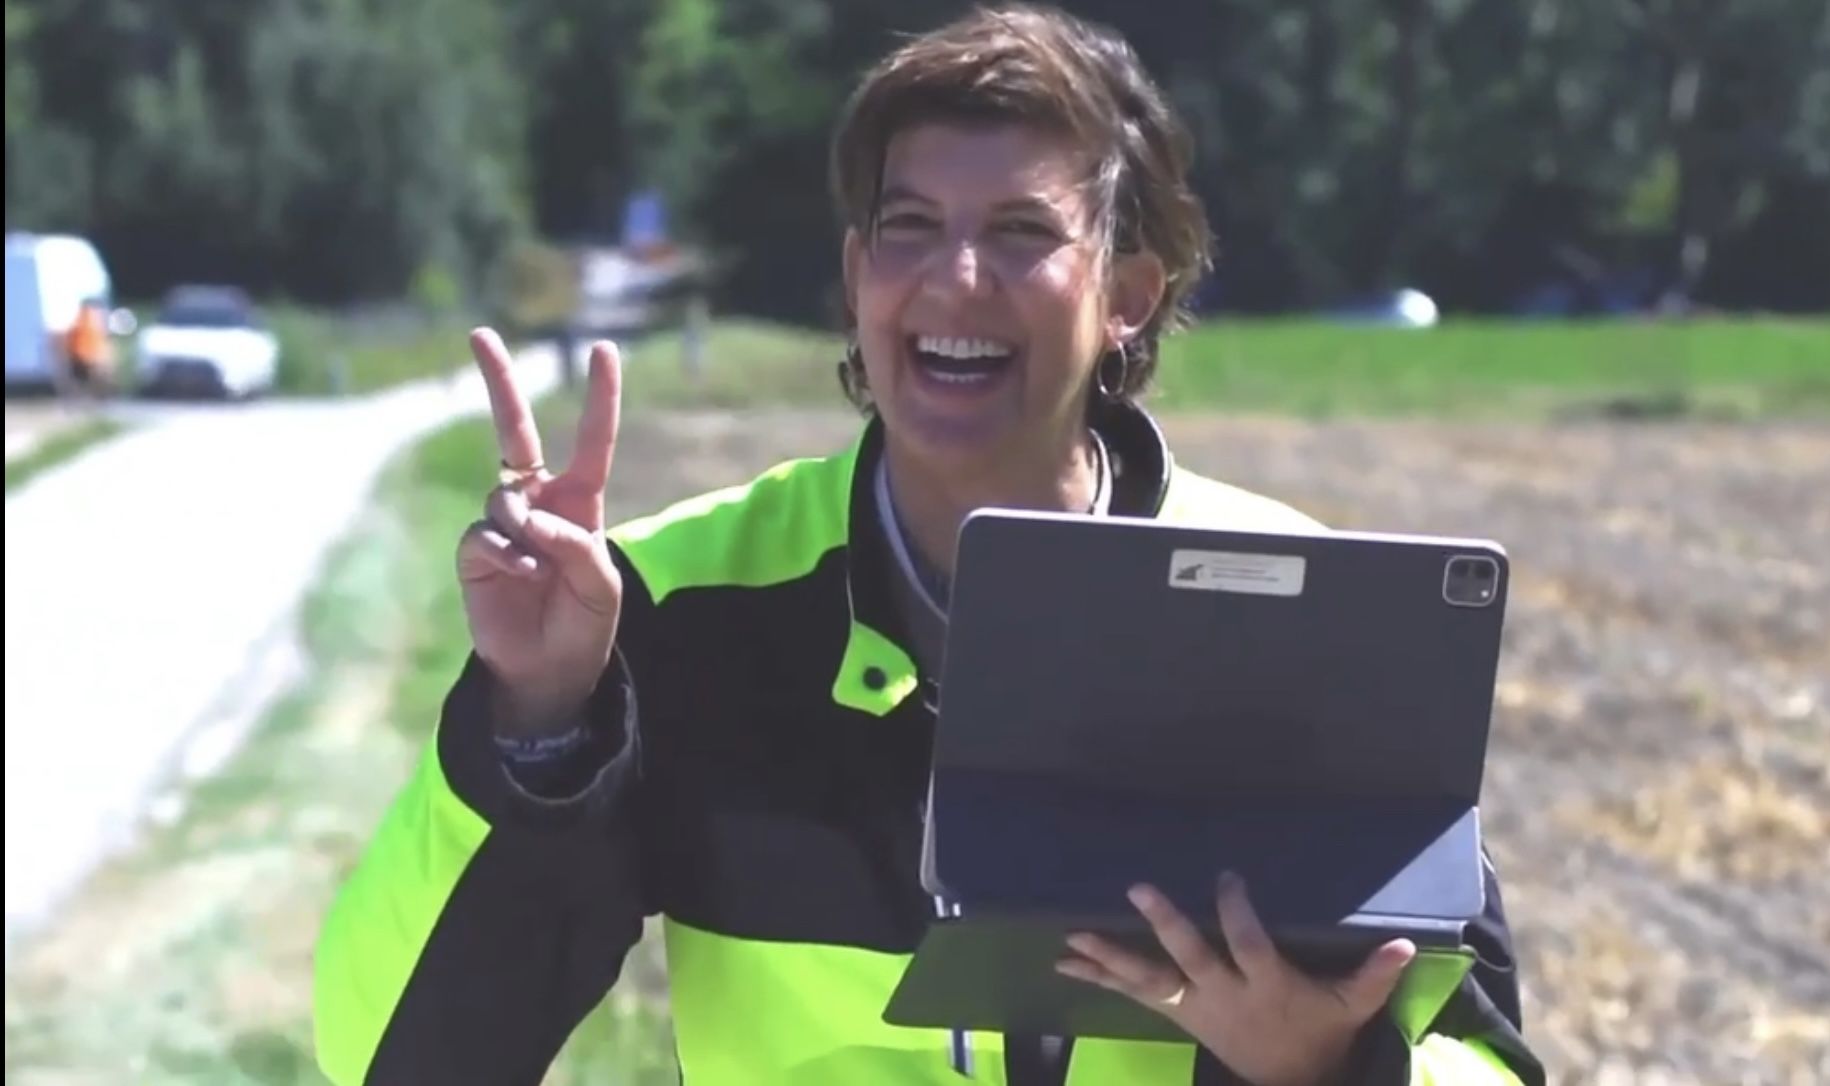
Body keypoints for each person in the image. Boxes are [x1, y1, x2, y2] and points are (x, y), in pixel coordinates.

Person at [311, 5, 1543, 1084]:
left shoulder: (1304, 620)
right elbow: (385, 1056)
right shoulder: (673, 609)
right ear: (857, 279)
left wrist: (1331, 1068)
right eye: (909, 227)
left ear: (1128, 295)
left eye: (1020, 233)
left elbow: (1482, 1058)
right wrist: (537, 724)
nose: (955, 278)